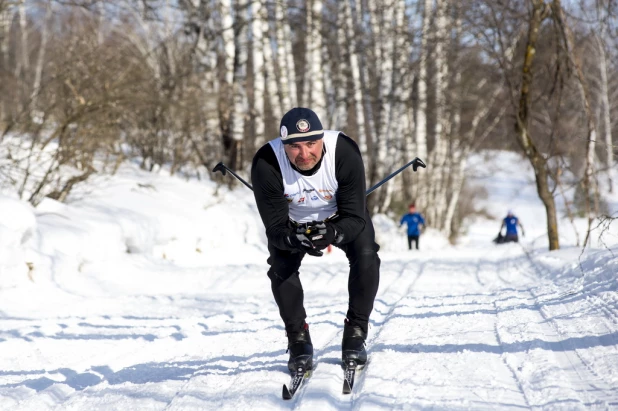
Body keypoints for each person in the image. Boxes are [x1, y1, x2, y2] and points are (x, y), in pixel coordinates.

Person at [251, 107, 381, 374]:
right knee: (280, 267)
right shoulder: (266, 161)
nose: (305, 153)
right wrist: (293, 239)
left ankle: (356, 331)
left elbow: (356, 218)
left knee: (367, 255)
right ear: (283, 145)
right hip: (291, 222)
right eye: (295, 147)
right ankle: (298, 339)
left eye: (311, 143)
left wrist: (333, 233)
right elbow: (275, 229)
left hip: (340, 216)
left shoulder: (343, 151)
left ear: (322, 138)